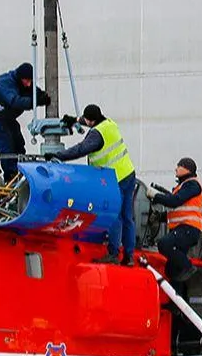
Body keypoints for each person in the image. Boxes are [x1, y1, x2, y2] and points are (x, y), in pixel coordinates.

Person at [48, 104, 137, 266]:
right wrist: (74, 120)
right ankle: (130, 256)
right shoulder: (109, 124)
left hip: (114, 179)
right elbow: (89, 121)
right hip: (128, 174)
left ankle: (113, 254)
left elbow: (81, 149)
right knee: (127, 217)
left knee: (115, 216)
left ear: (91, 121)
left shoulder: (96, 136)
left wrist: (57, 156)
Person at [0, 62, 50, 182]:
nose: (28, 84)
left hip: (6, 116)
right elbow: (15, 101)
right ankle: (11, 177)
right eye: (26, 81)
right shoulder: (4, 83)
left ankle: (21, 169)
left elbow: (33, 92)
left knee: (17, 140)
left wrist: (41, 95)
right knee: (5, 144)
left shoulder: (24, 84)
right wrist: (36, 101)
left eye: (30, 81)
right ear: (20, 78)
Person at [149, 157, 202, 283]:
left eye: (179, 166)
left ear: (186, 169)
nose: (176, 169)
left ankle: (188, 267)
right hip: (182, 229)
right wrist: (160, 217)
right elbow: (177, 211)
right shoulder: (182, 187)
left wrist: (156, 196)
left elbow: (175, 202)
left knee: (164, 244)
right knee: (171, 270)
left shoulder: (192, 185)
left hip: (188, 229)